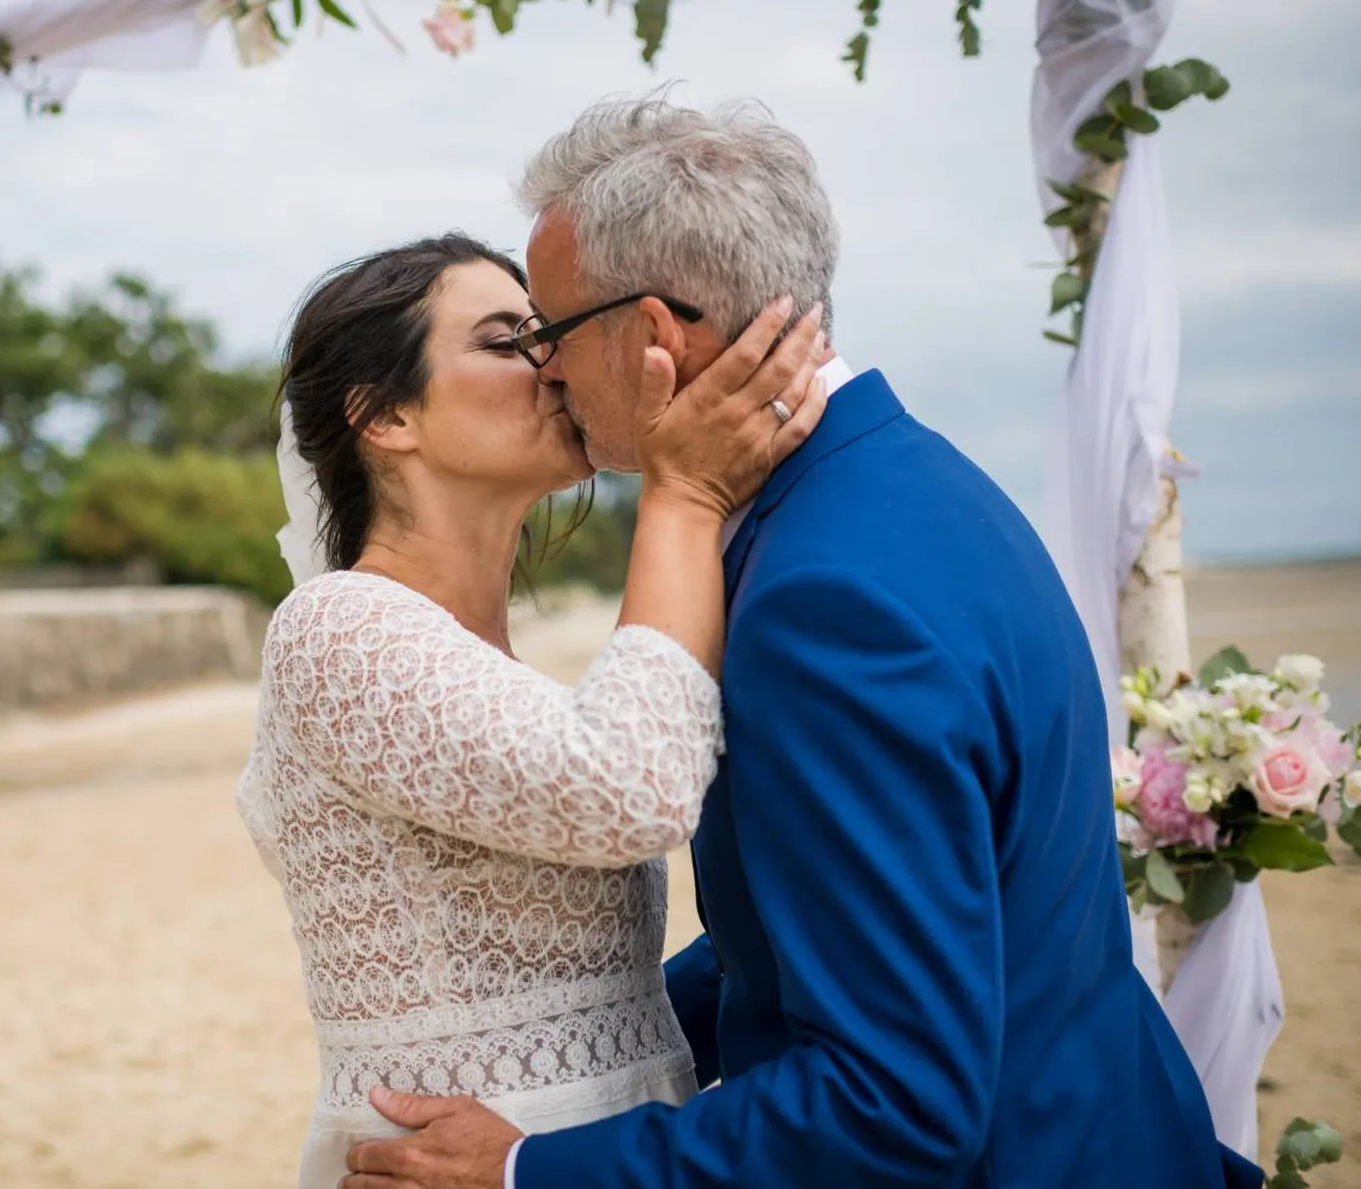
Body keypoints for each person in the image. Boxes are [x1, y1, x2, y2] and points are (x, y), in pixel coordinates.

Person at [339, 98, 1262, 1189]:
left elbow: (893, 1104)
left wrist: (529, 1168)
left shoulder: (822, 601)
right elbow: (817, 931)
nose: (546, 371)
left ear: (653, 333)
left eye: (552, 332)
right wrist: (591, 1051)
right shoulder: (915, 486)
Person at [237, 231, 828, 1189]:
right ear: (384, 416)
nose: (552, 362)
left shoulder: (480, 668)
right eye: (508, 340)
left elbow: (588, 991)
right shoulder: (334, 629)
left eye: (546, 332)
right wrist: (684, 494)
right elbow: (634, 789)